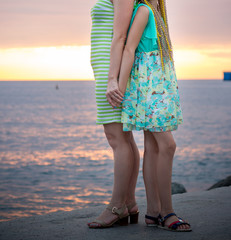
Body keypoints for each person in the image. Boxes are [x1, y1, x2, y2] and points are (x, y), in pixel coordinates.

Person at [118, 0, 192, 232]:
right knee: (168, 145)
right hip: (150, 90)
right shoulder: (143, 10)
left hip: (158, 88)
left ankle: (153, 212)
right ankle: (167, 212)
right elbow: (129, 49)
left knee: (153, 148)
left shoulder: (157, 13)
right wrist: (120, 88)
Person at [88, 0, 140, 228]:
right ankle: (129, 203)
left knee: (117, 139)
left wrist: (113, 79)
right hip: (108, 70)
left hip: (112, 72)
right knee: (124, 138)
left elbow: (120, 37)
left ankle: (117, 206)